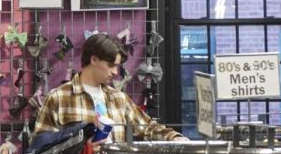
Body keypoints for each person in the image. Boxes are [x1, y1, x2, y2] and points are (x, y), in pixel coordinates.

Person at [33, 31, 183, 143]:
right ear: (94, 59)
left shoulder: (119, 98)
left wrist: (175, 138)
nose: (115, 72)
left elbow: (148, 128)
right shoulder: (58, 98)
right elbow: (41, 145)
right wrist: (78, 146)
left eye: (117, 66)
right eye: (111, 65)